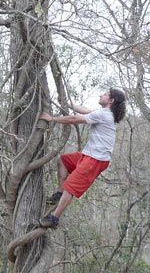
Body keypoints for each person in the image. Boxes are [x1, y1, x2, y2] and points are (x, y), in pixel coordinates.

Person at [37, 88, 127, 228]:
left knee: (70, 186)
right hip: (88, 155)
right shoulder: (103, 113)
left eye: (104, 94)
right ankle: (59, 194)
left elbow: (73, 119)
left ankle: (54, 219)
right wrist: (66, 103)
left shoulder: (105, 115)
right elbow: (85, 110)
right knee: (63, 160)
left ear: (111, 101)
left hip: (96, 160)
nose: (101, 95)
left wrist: (51, 118)